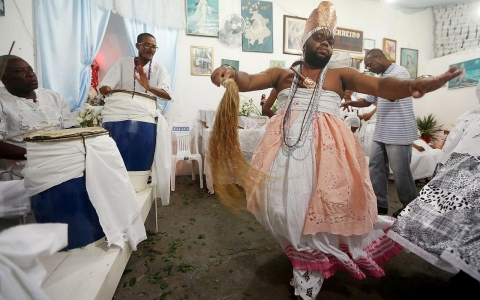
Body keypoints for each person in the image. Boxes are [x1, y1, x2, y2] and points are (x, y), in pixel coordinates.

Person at [209, 2, 462, 299]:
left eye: (330, 40)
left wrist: (413, 86)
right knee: (284, 206)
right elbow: (248, 80)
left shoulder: (340, 74)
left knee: (318, 206)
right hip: (284, 151)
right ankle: (304, 256)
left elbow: (382, 86)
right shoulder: (282, 74)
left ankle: (309, 265)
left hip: (327, 154)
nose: (326, 43)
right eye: (319, 37)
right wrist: (229, 73)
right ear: (304, 42)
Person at [387, 81, 480, 293]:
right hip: (465, 178)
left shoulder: (472, 120)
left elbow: (447, 155)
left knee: (467, 226)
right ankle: (467, 274)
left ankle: (467, 274)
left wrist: (437, 178)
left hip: (465, 179)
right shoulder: (472, 119)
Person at [341, 48, 419, 217]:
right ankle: (380, 204)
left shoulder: (400, 72)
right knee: (376, 167)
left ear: (378, 58)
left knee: (400, 172)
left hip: (398, 131)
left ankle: (411, 209)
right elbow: (366, 101)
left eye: (370, 65)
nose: (370, 69)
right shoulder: (381, 78)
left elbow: (392, 95)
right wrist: (347, 104)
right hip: (382, 131)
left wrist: (366, 81)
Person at [0, 55, 79, 221]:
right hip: (24, 172)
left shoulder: (52, 96)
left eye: (30, 69)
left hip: (63, 163)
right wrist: (37, 154)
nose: (30, 74)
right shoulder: (2, 101)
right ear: (3, 78)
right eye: (20, 71)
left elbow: (71, 126)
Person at [98, 33, 173, 101]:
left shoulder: (160, 70)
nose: (151, 49)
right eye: (147, 45)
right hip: (123, 108)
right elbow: (105, 86)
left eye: (154, 47)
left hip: (146, 111)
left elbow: (167, 95)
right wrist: (106, 89)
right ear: (137, 46)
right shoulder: (123, 63)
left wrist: (149, 87)